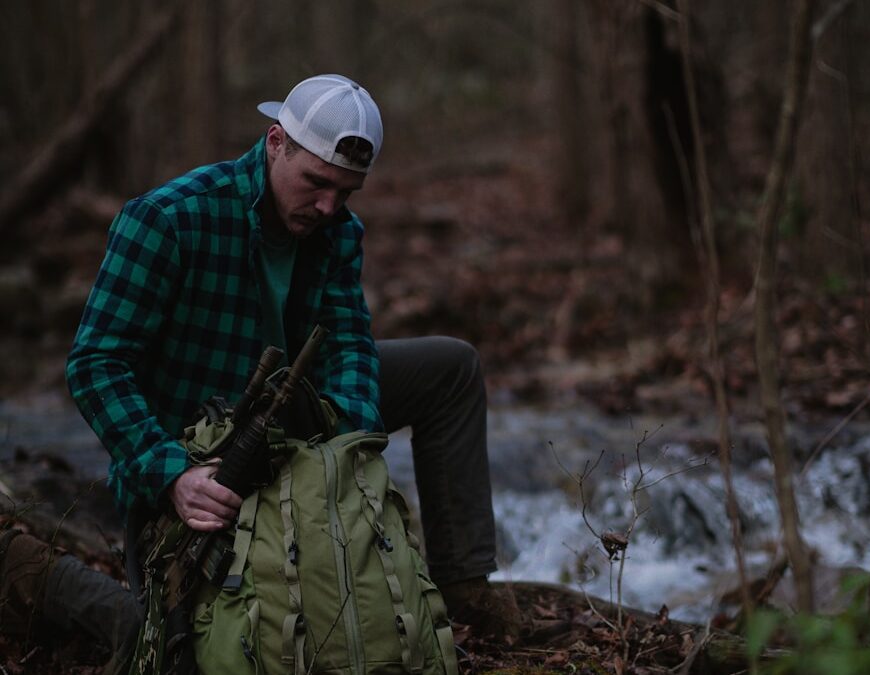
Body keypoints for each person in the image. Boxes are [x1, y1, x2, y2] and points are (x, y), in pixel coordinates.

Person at [0, 74, 520, 668]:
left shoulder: (337, 230)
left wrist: (346, 444)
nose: (328, 206)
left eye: (346, 192)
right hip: (198, 458)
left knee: (451, 367)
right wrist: (170, 473)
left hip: (296, 419)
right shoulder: (167, 219)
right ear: (276, 142)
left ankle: (465, 587)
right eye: (317, 183)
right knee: (192, 651)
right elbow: (95, 364)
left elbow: (350, 344)